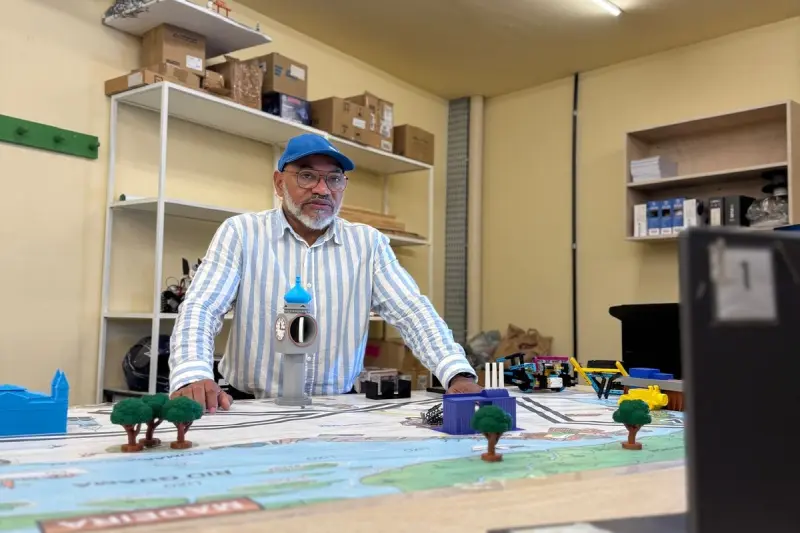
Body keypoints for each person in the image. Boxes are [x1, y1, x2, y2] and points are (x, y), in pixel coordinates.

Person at [169, 133, 481, 411]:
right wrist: (193, 374)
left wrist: (457, 373)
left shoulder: (368, 244)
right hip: (252, 404)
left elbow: (412, 311)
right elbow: (202, 307)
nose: (322, 189)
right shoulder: (241, 233)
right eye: (307, 176)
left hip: (338, 409)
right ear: (279, 183)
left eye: (334, 179)